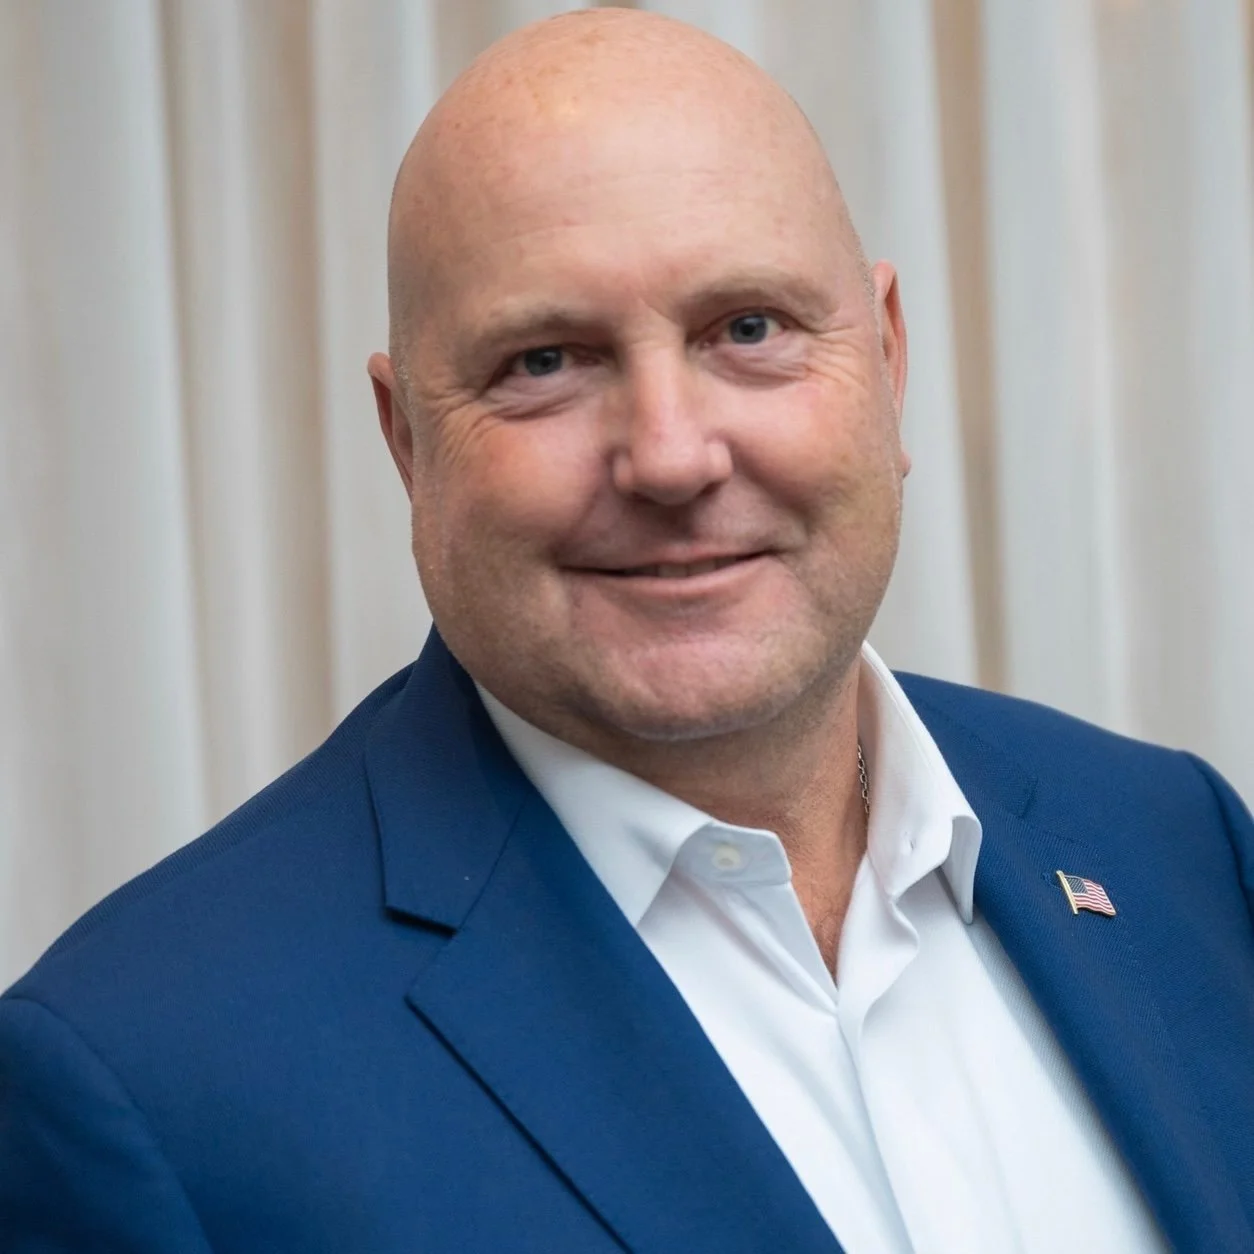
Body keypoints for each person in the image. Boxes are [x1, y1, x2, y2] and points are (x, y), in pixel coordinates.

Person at [2, 9, 1252, 1252]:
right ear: (408, 442)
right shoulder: (146, 1087)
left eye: (748, 329)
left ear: (886, 358)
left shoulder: (1178, 847)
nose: (670, 455)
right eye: (545, 361)